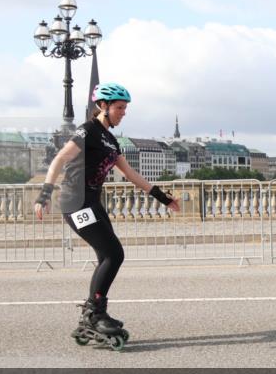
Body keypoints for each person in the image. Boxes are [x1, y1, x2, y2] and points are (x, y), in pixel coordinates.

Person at [34, 82, 180, 350]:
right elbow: (59, 159)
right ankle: (94, 313)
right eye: (119, 108)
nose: (123, 112)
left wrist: (162, 197)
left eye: (125, 108)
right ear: (103, 106)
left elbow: (131, 175)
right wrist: (44, 194)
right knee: (115, 254)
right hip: (76, 203)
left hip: (92, 202)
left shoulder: (110, 139)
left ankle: (96, 312)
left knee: (107, 256)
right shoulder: (88, 131)